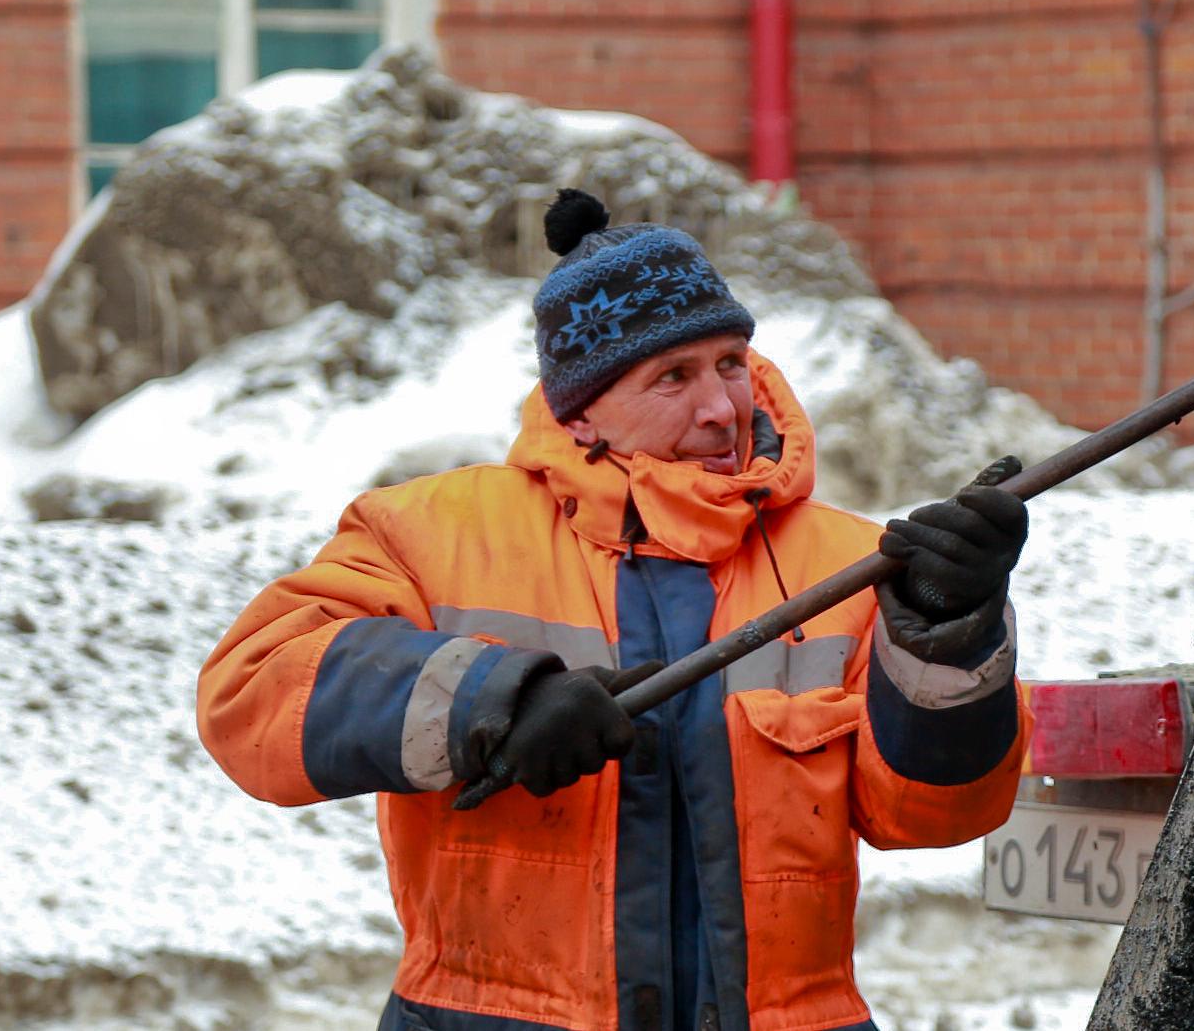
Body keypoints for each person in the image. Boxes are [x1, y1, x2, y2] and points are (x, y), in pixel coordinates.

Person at [198, 189, 1030, 1031]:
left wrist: (949, 634)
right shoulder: (430, 535)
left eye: (732, 363)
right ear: (581, 409)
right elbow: (251, 693)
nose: (722, 408)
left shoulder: (850, 566)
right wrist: (492, 699)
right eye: (673, 376)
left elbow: (936, 812)